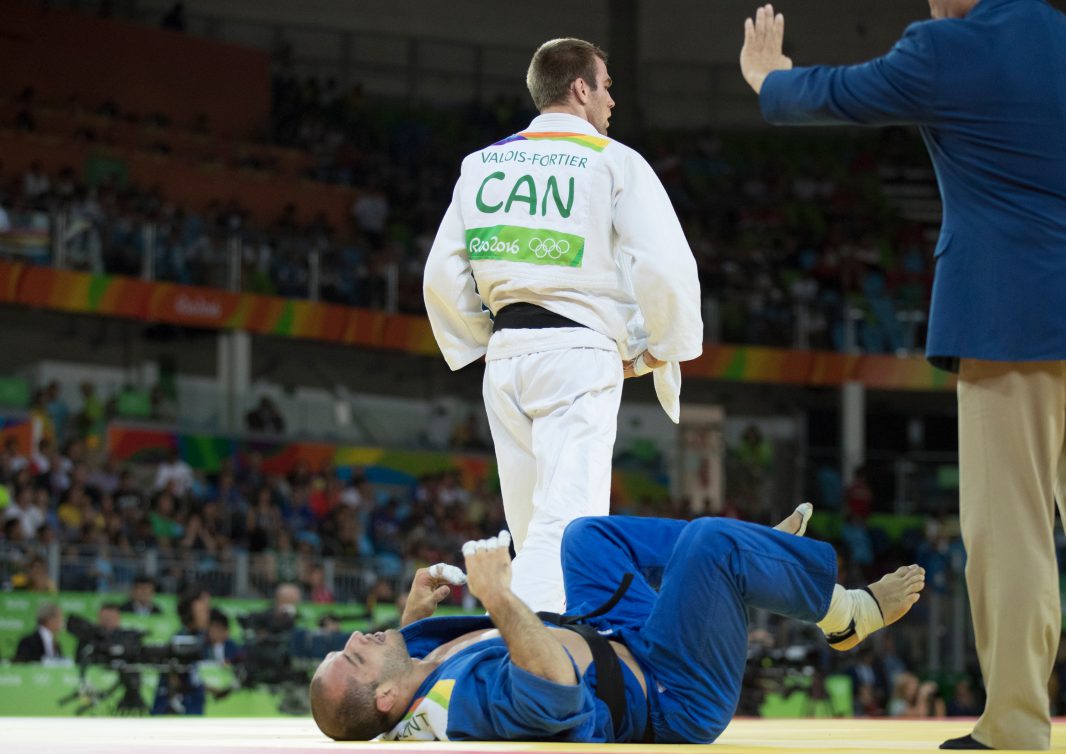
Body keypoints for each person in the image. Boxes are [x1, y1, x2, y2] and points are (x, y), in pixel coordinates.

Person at [739, 1, 1066, 748]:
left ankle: (1016, 728)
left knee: (1014, 535)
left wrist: (769, 79)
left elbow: (844, 94)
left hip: (1010, 320)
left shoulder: (951, 46)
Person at [422, 38, 704, 612]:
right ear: (581, 88)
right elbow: (666, 265)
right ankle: (518, 671)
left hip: (506, 360)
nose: (612, 102)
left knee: (534, 533)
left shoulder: (483, 165)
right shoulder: (612, 159)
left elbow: (440, 275)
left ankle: (542, 655)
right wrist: (659, 350)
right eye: (606, 86)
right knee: (569, 528)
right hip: (577, 354)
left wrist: (480, 341)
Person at [308, 506, 925, 743]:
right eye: (355, 657)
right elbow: (553, 686)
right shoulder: (458, 709)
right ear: (386, 697)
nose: (357, 640)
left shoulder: (405, 686)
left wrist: (413, 618)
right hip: (671, 695)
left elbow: (389, 690)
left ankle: (750, 555)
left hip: (615, 636)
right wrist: (497, 597)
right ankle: (848, 614)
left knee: (586, 538)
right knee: (711, 543)